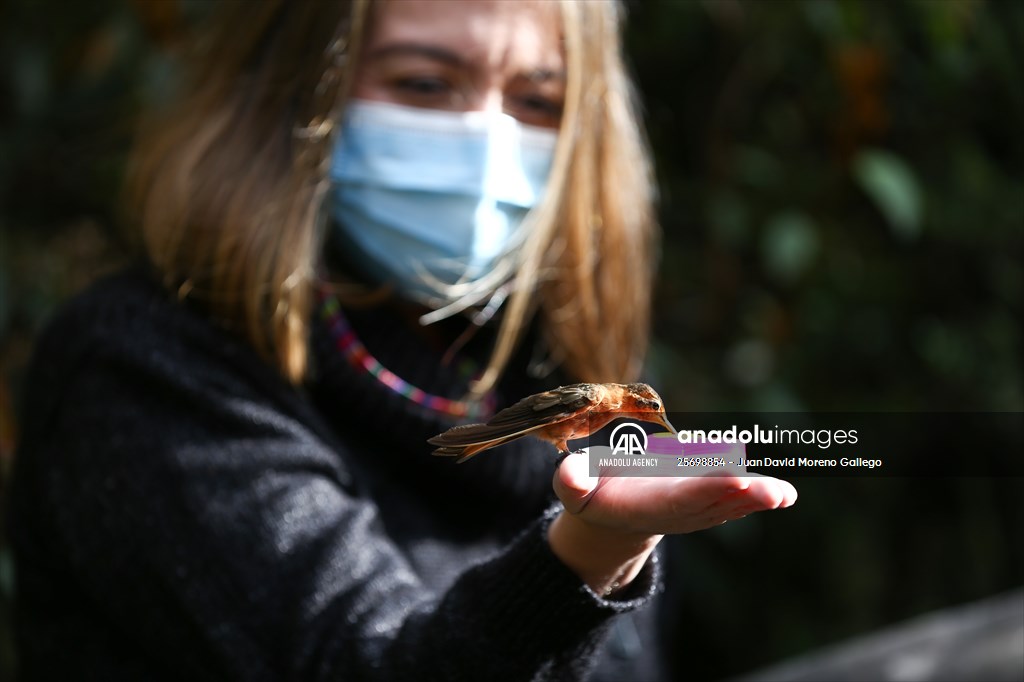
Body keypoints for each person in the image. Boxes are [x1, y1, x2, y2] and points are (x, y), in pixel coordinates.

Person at [8, 1, 797, 680]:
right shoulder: (139, 368)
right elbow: (363, 661)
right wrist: (585, 559)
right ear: (289, 88)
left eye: (538, 98)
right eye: (423, 84)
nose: (486, 142)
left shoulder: (551, 359)